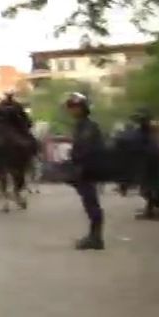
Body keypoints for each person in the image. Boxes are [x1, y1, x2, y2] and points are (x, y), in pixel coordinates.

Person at [64, 92, 106, 251]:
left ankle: (96, 238)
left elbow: (87, 149)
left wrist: (77, 162)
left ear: (83, 108)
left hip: (88, 169)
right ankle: (94, 236)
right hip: (83, 168)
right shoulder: (80, 125)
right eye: (71, 107)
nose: (73, 110)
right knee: (89, 203)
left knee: (92, 203)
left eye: (76, 107)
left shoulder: (89, 126)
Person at [126, 110, 159, 220]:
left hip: (149, 161)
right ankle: (152, 210)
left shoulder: (143, 132)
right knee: (150, 186)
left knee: (148, 188)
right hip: (151, 160)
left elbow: (140, 147)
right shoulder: (146, 131)